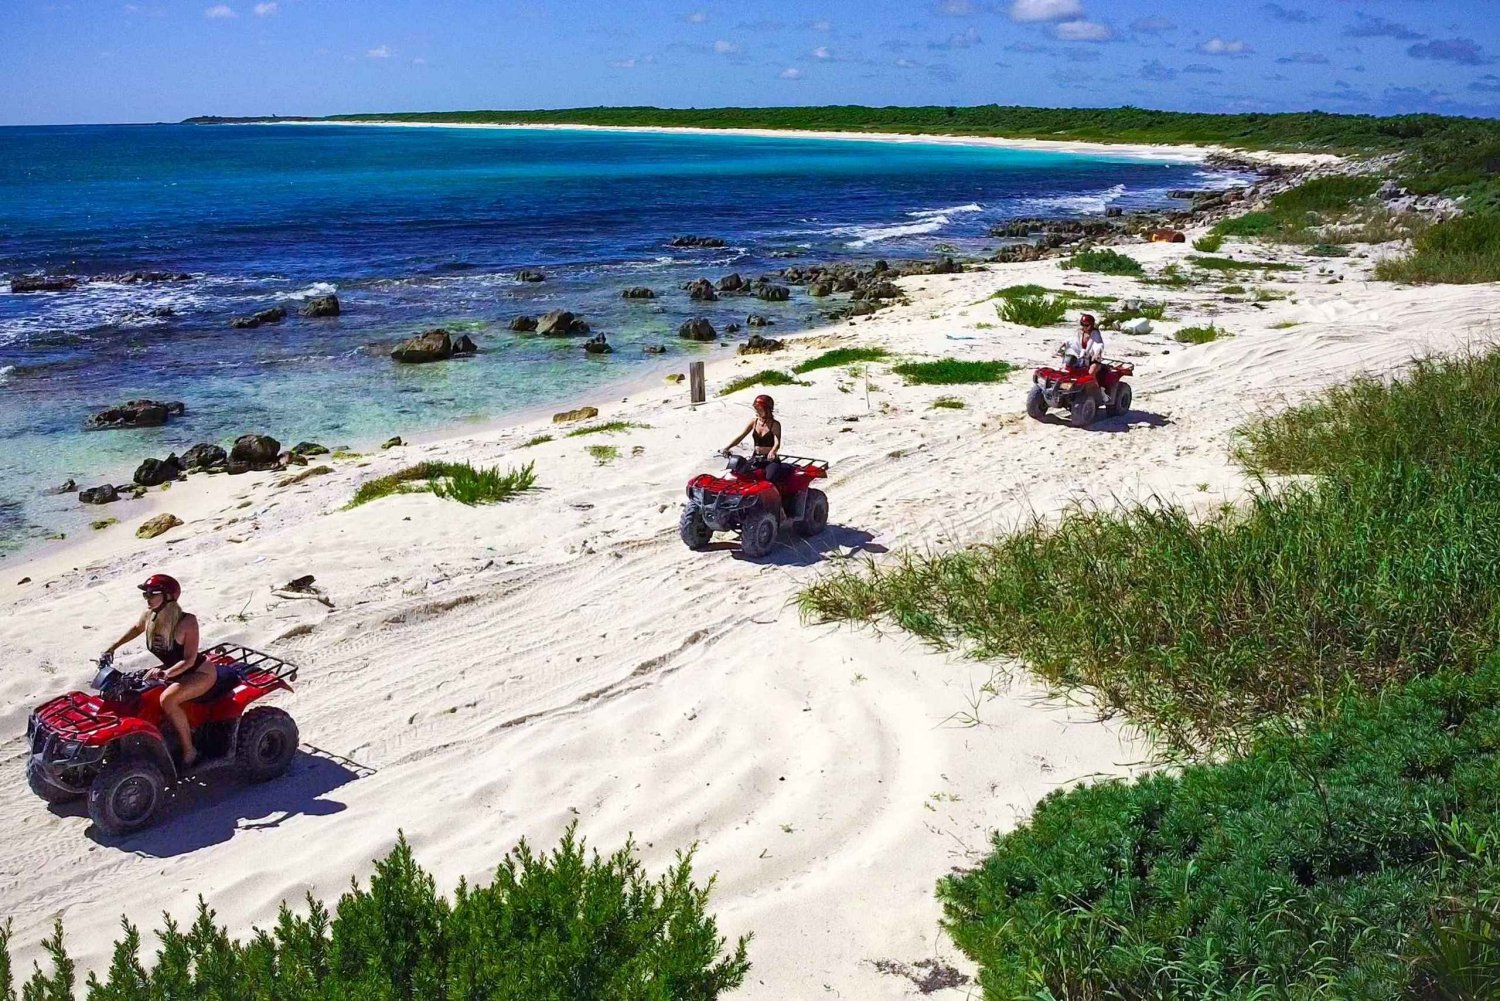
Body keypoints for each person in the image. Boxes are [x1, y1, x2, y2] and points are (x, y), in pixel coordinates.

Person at [101, 574, 214, 767]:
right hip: (171, 668)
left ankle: (189, 751)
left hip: (198, 673)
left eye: (152, 594)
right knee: (138, 691)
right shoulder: (150, 615)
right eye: (145, 594)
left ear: (168, 596)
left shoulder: (187, 622)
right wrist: (113, 647)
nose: (147, 598)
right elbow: (136, 629)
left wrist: (165, 674)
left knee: (167, 700)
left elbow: (189, 660)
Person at [722, 394, 787, 484]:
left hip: (770, 460)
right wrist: (727, 447)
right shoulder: (754, 421)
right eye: (756, 408)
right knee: (740, 474)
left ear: (767, 409)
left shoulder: (775, 424)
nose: (757, 411)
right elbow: (741, 436)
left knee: (770, 479)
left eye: (760, 409)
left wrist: (772, 451)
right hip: (756, 457)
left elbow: (777, 442)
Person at [1060, 313, 1107, 406]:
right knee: (1066, 369)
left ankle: (1098, 393)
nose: (1084, 327)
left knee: (1091, 373)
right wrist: (1064, 344)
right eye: (1082, 324)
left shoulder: (1095, 334)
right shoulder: (1079, 332)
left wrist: (1097, 352)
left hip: (1093, 359)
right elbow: (1072, 340)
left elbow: (1099, 345)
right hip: (1080, 357)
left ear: (1091, 325)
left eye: (1086, 325)